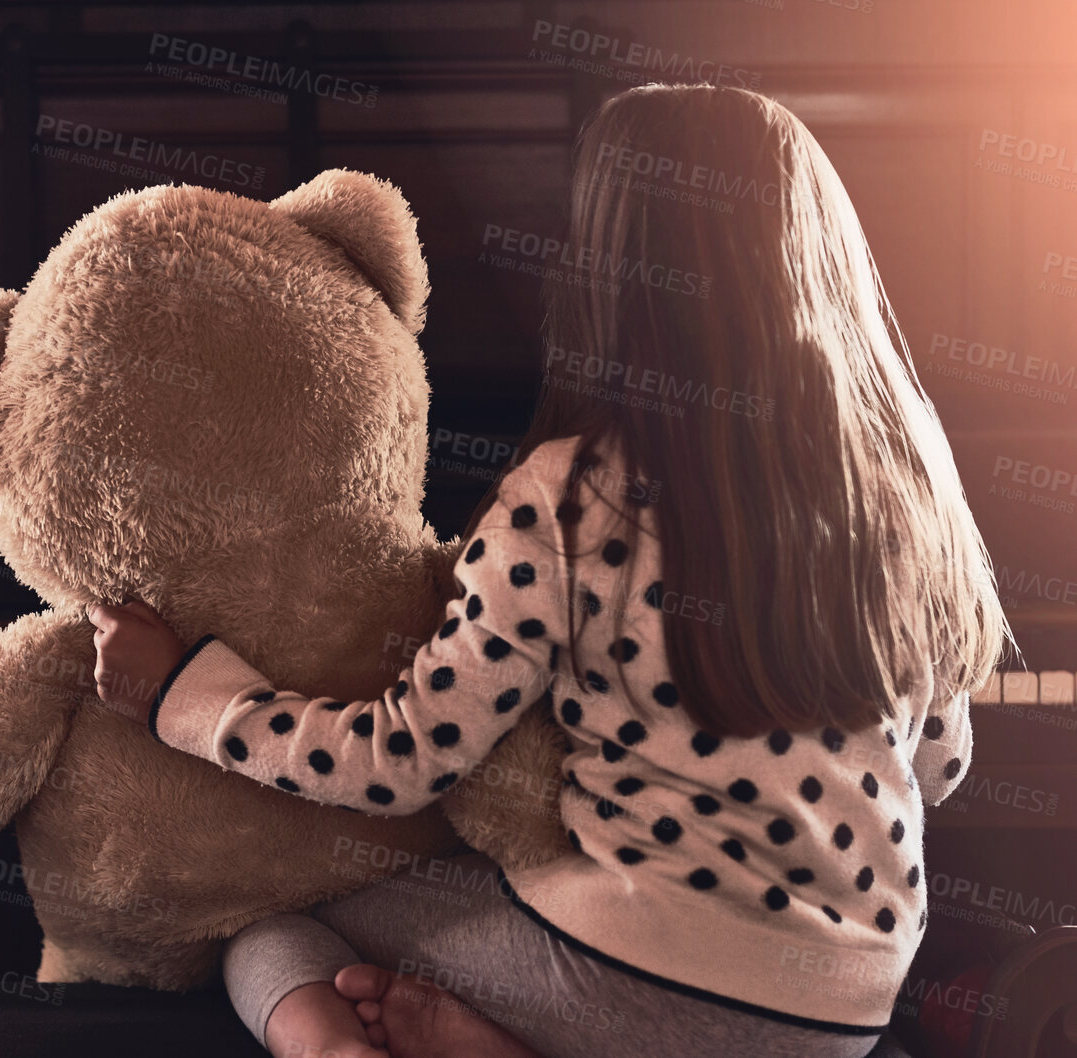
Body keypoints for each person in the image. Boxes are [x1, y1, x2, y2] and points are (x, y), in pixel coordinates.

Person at [88, 83, 1012, 1058]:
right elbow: (941, 770)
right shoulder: (906, 491)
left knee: (273, 924)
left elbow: (401, 762)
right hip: (845, 1009)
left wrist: (180, 695)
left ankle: (345, 1048)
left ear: (612, 270)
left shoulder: (572, 495)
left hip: (633, 973)